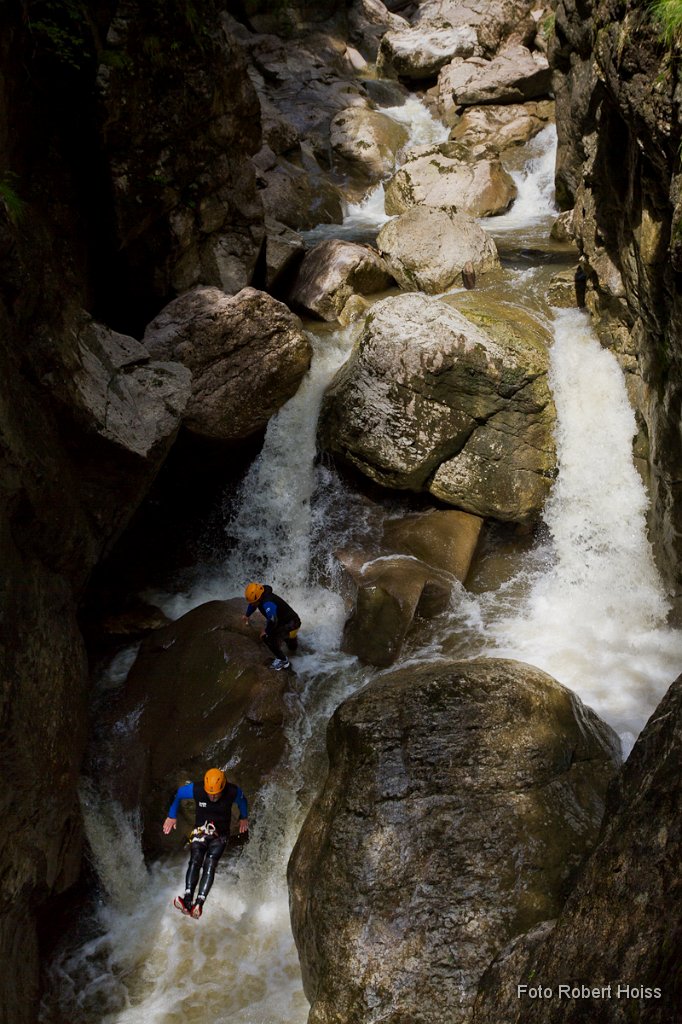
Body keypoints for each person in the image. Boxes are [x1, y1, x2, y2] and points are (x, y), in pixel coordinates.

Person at [163, 767, 249, 919]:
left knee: (210, 863)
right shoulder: (196, 789)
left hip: (220, 835)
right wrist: (172, 816)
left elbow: (243, 801)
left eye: (216, 795)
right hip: (201, 831)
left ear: (222, 788)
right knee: (195, 860)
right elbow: (177, 795)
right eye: (210, 794)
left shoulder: (232, 792)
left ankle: (199, 903)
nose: (213, 797)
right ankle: (188, 899)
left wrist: (244, 817)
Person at [242, 582, 301, 671]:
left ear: (258, 598)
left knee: (266, 637)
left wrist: (266, 631)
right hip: (293, 621)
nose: (252, 604)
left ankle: (284, 661)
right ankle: (293, 647)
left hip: (291, 624)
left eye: (253, 602)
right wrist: (247, 615)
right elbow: (253, 604)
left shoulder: (267, 603)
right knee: (291, 646)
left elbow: (273, 620)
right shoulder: (261, 594)